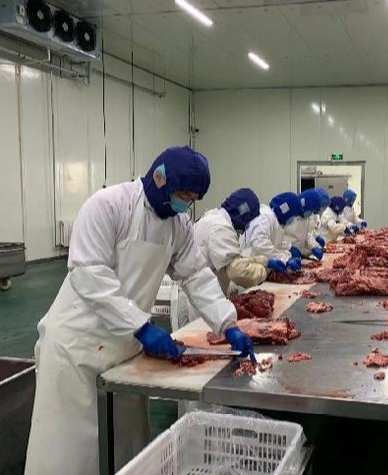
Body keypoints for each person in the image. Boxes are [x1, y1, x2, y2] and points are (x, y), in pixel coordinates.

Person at [25, 147, 256, 475]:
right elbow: (89, 274)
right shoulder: (108, 205)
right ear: (161, 179)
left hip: (124, 349)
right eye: (182, 195)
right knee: (69, 454)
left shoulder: (178, 225)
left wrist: (227, 322)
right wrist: (141, 326)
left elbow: (195, 275)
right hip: (76, 346)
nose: (185, 204)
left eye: (192, 199)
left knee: (127, 448)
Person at [194, 188, 287, 296]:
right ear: (243, 215)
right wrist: (266, 271)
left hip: (203, 291)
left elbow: (234, 259)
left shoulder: (217, 219)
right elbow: (237, 271)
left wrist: (266, 262)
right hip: (198, 296)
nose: (248, 225)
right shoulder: (220, 228)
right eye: (249, 220)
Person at [240, 192, 303, 271]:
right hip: (248, 263)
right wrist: (285, 259)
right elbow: (259, 242)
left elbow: (274, 240)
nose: (294, 219)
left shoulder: (275, 220)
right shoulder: (265, 216)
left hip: (258, 264)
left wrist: (289, 247)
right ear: (286, 211)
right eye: (294, 215)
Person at [283, 188, 324, 261]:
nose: (311, 213)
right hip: (284, 255)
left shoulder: (307, 217)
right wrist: (290, 248)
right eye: (310, 210)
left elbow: (307, 235)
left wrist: (313, 247)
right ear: (304, 205)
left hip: (299, 255)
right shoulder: (290, 216)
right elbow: (279, 238)